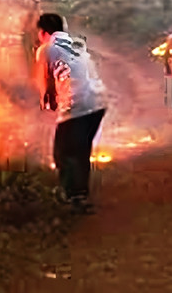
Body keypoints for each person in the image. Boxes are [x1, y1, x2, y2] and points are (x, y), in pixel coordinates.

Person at [35, 13, 107, 214]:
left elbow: (46, 83)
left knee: (63, 154)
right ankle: (80, 195)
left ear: (43, 32)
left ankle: (71, 198)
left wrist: (47, 102)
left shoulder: (46, 48)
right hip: (98, 103)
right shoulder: (77, 44)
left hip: (77, 104)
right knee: (81, 151)